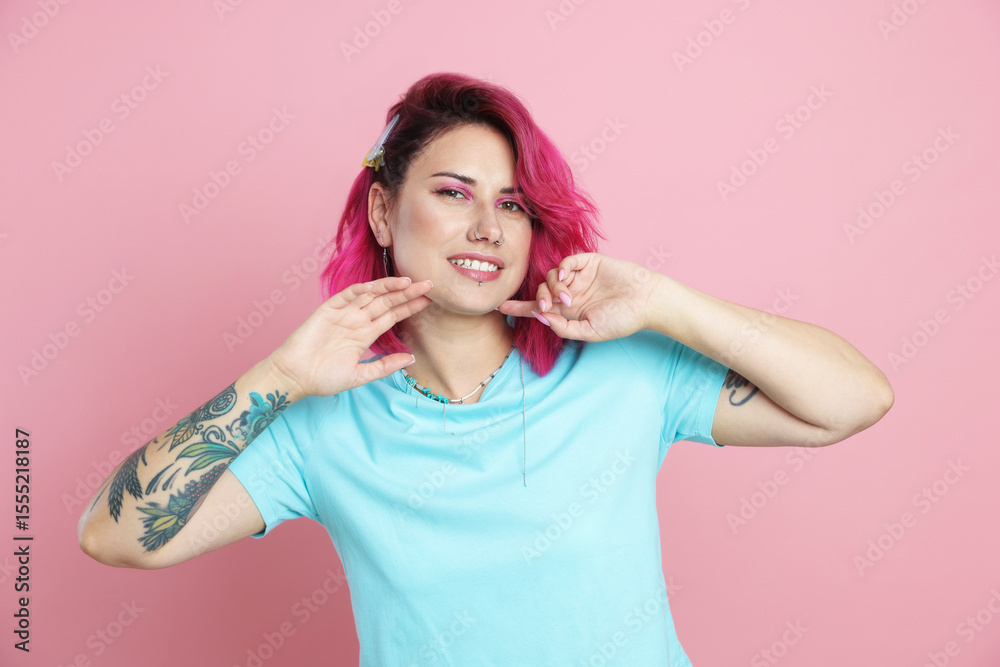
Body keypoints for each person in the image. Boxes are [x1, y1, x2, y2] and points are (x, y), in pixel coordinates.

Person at [78, 73, 894, 666]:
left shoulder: (624, 372)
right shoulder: (321, 425)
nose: (487, 229)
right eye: (453, 193)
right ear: (383, 210)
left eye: (511, 203)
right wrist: (280, 377)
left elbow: (855, 399)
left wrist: (664, 301)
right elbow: (115, 537)